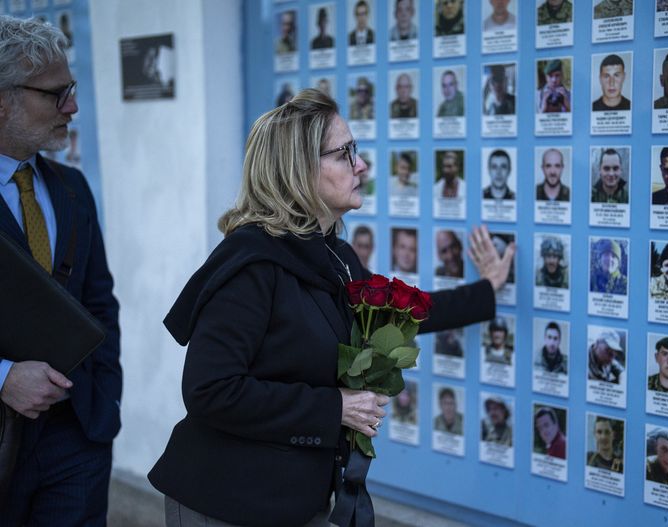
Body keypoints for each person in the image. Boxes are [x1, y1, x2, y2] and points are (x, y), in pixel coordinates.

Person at [148, 90, 515, 526]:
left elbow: (400, 310)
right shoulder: (252, 265)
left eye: (354, 151)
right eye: (344, 154)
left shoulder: (334, 255)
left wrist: (487, 290)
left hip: (295, 500)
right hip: (225, 502)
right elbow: (210, 390)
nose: (361, 165)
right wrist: (334, 408)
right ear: (299, 170)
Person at [0, 16, 121, 525]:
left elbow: (100, 305)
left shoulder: (72, 187)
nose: (72, 106)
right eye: (56, 93)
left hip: (79, 439)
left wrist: (105, 401)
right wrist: (3, 377)